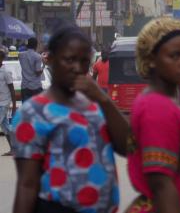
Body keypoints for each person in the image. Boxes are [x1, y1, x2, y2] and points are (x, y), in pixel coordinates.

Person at [12, 26, 129, 213]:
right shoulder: (33, 113)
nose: (77, 68)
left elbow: (128, 146)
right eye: (69, 59)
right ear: (50, 59)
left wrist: (104, 99)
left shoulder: (96, 105)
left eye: (84, 61)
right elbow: (27, 184)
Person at [127, 18, 180, 213]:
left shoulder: (161, 102)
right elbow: (161, 184)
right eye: (174, 55)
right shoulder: (156, 108)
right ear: (151, 60)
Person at [0, 49, 16, 156]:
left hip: (4, 102)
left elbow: (11, 88)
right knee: (5, 127)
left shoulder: (5, 71)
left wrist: (14, 104)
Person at [18, 37, 44, 102]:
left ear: (28, 45)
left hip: (25, 86)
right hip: (35, 86)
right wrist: (44, 65)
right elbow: (38, 72)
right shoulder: (38, 56)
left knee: (26, 108)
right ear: (36, 45)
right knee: (37, 108)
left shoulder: (20, 55)